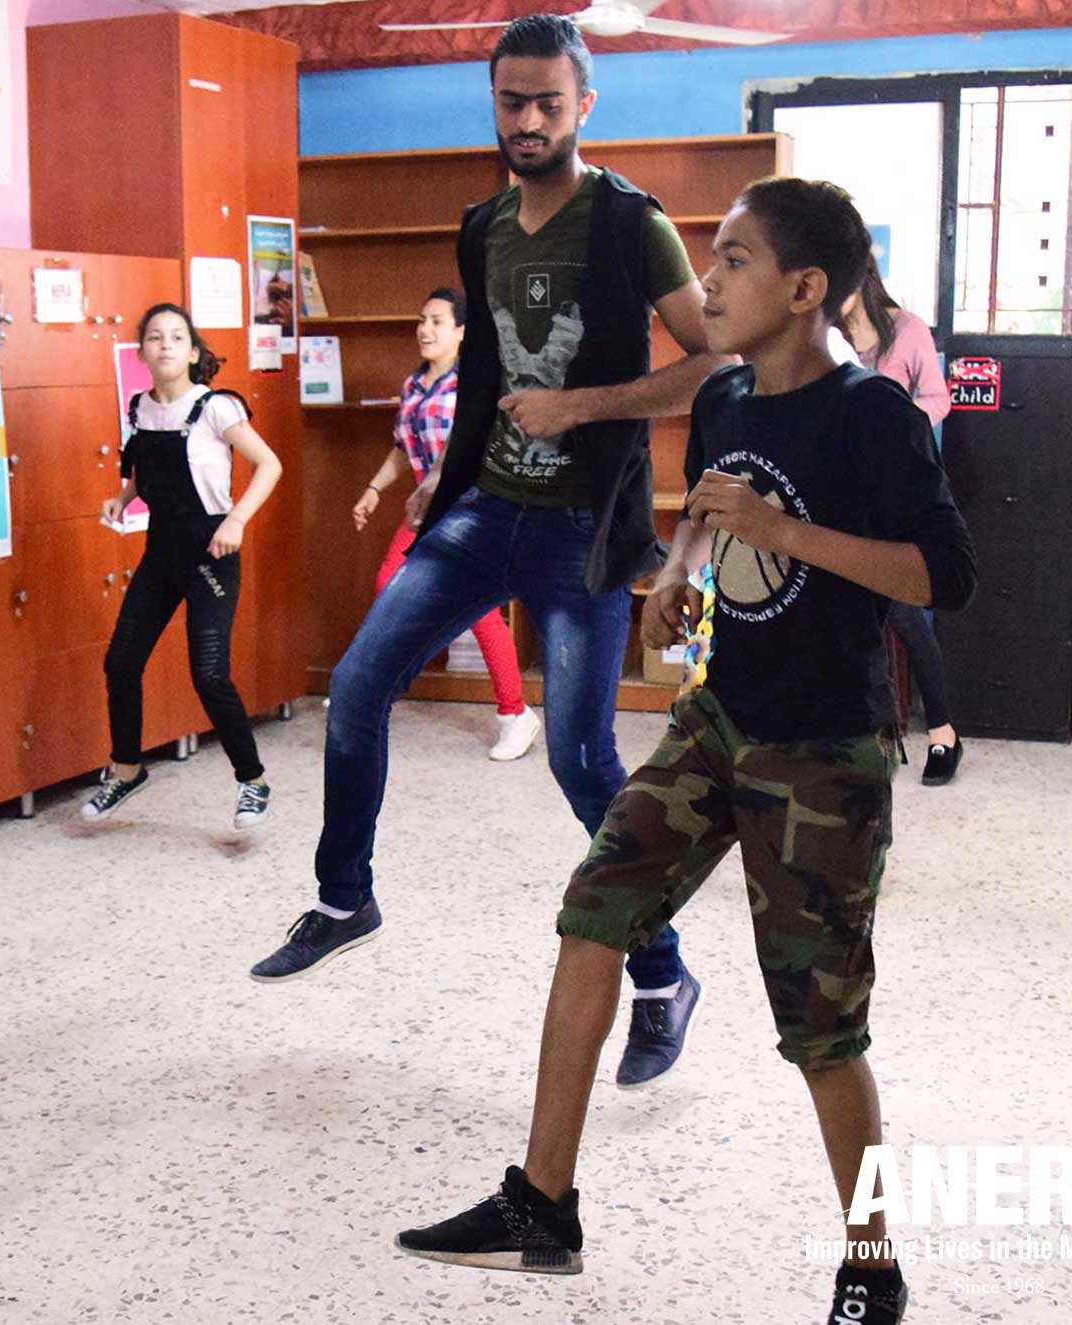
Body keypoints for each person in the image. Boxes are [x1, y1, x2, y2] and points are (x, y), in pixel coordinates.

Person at [394, 178, 975, 1325]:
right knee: (592, 907)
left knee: (820, 1026)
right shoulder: (723, 400)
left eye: (733, 260)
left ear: (804, 289)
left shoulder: (871, 418)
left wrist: (779, 533)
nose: (704, 282)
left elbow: (939, 575)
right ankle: (539, 1206)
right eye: (709, 258)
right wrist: (677, 573)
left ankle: (870, 1264)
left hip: (824, 754)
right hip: (716, 719)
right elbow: (711, 509)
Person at [252, 14, 725, 1091]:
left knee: (578, 758)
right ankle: (343, 897)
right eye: (509, 101)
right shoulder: (482, 228)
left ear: (582, 106)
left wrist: (581, 406)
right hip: (480, 510)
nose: (525, 121)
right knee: (361, 684)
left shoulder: (628, 223)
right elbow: (479, 380)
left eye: (546, 103)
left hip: (579, 529)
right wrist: (437, 487)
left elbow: (711, 359)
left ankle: (661, 975)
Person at [84, 303, 285, 829]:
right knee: (121, 663)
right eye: (155, 337)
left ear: (193, 352)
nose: (166, 344)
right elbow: (147, 473)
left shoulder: (216, 408)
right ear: (142, 350)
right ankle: (126, 770)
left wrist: (237, 520)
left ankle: (253, 781)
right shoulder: (139, 409)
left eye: (177, 337)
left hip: (211, 554)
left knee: (210, 674)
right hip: (161, 553)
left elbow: (269, 465)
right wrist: (123, 496)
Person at [352, 287, 540, 760]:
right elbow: (402, 447)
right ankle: (375, 692)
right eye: (422, 319)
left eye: (437, 321)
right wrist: (374, 490)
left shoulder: (473, 385)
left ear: (461, 331)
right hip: (423, 511)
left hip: (469, 510)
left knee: (476, 610)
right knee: (388, 587)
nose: (425, 329)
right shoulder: (414, 385)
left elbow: (474, 448)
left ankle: (515, 713)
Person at [839, 258, 963, 784]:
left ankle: (944, 734)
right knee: (843, 613)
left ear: (860, 276)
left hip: (895, 490)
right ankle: (858, 733)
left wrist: (902, 421)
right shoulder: (823, 334)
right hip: (839, 491)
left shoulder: (907, 330)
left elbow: (938, 397)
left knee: (908, 615)